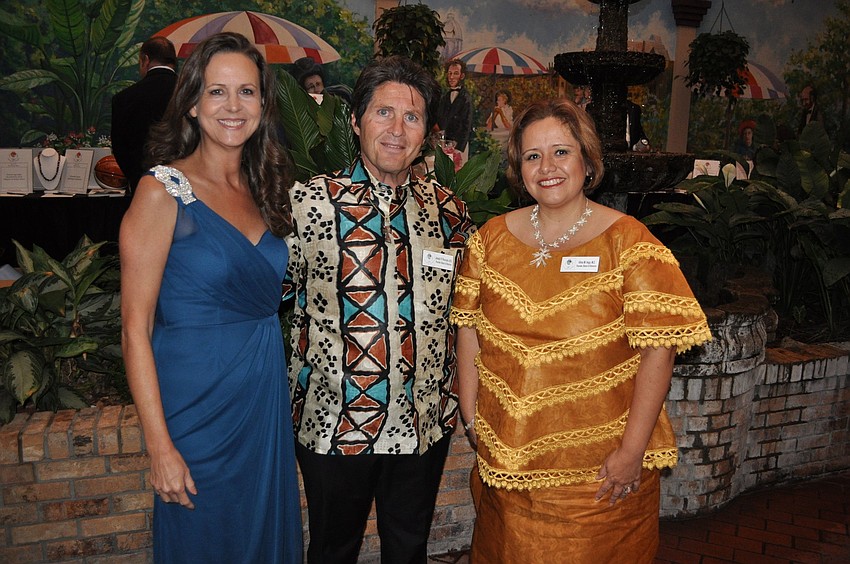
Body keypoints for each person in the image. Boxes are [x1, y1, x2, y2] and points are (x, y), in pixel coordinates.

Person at [451, 98, 712, 563]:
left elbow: (660, 352)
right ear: (519, 167)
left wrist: (632, 454)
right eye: (533, 156)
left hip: (597, 478)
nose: (546, 167)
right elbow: (468, 328)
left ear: (587, 160)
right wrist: (472, 417)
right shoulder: (487, 240)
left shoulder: (629, 242)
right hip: (503, 469)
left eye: (561, 152)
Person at [284, 55, 475, 564]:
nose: (396, 129)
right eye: (382, 113)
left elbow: (471, 310)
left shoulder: (450, 213)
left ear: (426, 133)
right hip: (334, 421)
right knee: (331, 550)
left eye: (411, 117)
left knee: (409, 549)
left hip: (422, 421)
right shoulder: (309, 203)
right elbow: (264, 296)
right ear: (356, 121)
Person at [119, 32, 302, 563]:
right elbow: (134, 327)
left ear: (263, 104)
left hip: (260, 402)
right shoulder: (161, 191)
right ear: (193, 103)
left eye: (246, 92)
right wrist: (159, 446)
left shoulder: (265, 186)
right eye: (217, 92)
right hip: (195, 413)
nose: (233, 107)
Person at [111, 36, 178, 191]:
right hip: (188, 186)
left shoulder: (123, 99)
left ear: (145, 60)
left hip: (143, 186)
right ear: (173, 62)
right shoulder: (191, 94)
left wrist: (137, 179)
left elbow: (120, 149)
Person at [435, 58, 473, 165]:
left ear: (462, 76)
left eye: (455, 73)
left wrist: (458, 148)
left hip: (459, 146)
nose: (451, 77)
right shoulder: (445, 97)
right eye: (450, 73)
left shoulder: (465, 98)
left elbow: (467, 125)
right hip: (445, 145)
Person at [486, 89, 513, 157]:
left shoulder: (508, 109)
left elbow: (508, 126)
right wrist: (495, 113)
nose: (498, 102)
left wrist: (501, 113)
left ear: (505, 101)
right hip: (499, 132)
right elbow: (489, 126)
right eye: (497, 100)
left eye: (499, 100)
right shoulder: (496, 109)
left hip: (507, 132)